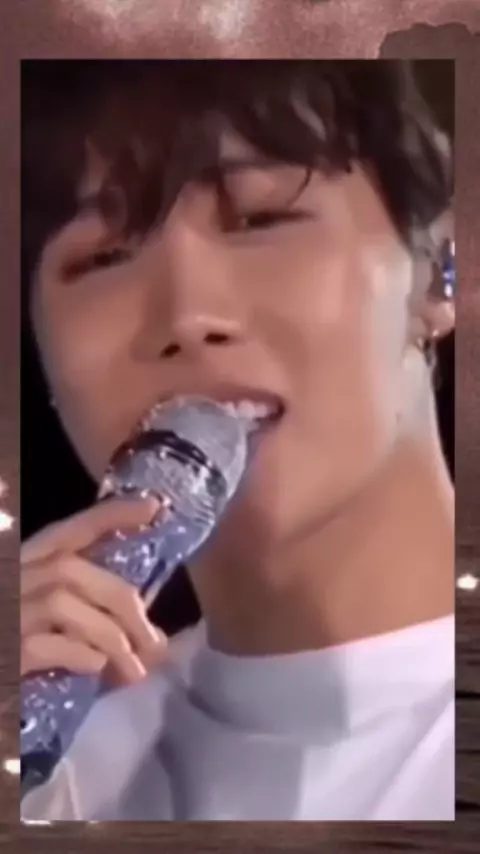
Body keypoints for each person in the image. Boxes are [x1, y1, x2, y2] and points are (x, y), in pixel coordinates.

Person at [21, 60, 455, 821]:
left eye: (260, 219)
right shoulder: (57, 770)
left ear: (444, 273)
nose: (187, 315)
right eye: (102, 257)